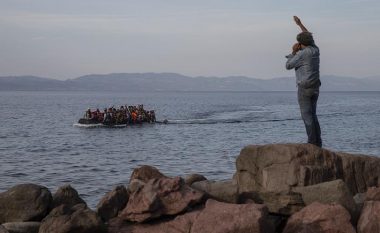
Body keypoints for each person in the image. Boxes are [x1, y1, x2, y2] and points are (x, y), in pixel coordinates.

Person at [286, 16, 322, 147]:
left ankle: (312, 143)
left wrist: (293, 52)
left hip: (304, 88)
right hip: (315, 87)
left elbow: (288, 66)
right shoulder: (315, 50)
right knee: (313, 115)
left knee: (307, 116)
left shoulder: (302, 54)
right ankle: (318, 143)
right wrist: (300, 24)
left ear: (301, 44)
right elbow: (308, 36)